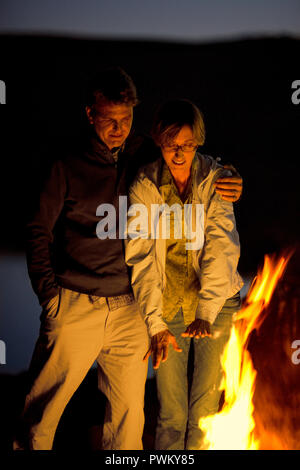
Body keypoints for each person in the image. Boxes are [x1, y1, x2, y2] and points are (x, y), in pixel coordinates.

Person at [14, 68, 243, 450]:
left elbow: (196, 159)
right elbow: (37, 229)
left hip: (129, 310)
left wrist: (233, 176)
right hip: (77, 303)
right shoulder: (67, 164)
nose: (119, 128)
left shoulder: (145, 153)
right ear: (90, 114)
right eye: (109, 119)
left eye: (126, 119)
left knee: (127, 425)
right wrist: (49, 296)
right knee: (42, 414)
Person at [125, 99, 244, 450]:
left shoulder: (215, 181)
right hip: (168, 309)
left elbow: (222, 247)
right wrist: (155, 325)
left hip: (217, 304)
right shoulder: (144, 186)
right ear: (159, 140)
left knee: (205, 408)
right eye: (172, 144)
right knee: (171, 412)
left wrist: (206, 312)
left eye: (188, 145)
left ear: (198, 143)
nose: (180, 152)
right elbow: (142, 258)